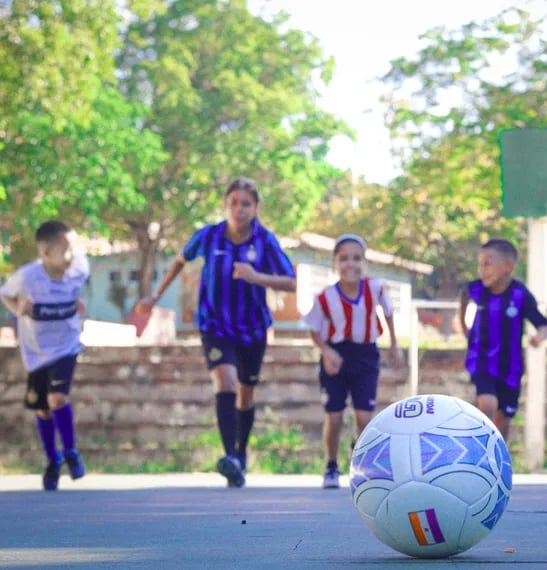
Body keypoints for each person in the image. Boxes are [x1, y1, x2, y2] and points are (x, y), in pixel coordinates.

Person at [137, 177, 296, 488]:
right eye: (234, 203)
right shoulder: (208, 236)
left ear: (256, 207)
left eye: (246, 203)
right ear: (226, 205)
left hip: (252, 328)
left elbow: (290, 282)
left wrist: (256, 277)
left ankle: (241, 452)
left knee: (246, 393)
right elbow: (179, 263)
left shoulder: (265, 240)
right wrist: (155, 295)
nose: (239, 209)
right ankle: (230, 457)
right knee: (225, 381)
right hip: (214, 325)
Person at [304, 234, 403, 489]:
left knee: (364, 417)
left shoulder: (375, 288)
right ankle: (331, 464)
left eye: (357, 258)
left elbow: (389, 313)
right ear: (335, 264)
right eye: (344, 259)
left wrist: (394, 345)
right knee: (334, 415)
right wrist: (327, 352)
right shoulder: (325, 297)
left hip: (366, 355)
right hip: (337, 355)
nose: (351, 264)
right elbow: (314, 329)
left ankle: (358, 461)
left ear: (365, 262)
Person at [0, 221, 89, 491]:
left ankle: (71, 451)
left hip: (67, 347)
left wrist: (76, 303)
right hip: (37, 352)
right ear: (47, 253)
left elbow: (77, 291)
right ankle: (52, 461)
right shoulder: (28, 277)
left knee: (57, 397)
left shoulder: (78, 270)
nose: (73, 255)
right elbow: (5, 294)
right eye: (67, 249)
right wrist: (19, 309)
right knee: (42, 408)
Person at [458, 238, 547, 442]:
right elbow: (463, 295)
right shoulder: (477, 289)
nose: (482, 270)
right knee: (488, 404)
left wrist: (539, 337)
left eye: (488, 264)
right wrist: (464, 326)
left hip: (510, 367)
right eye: (480, 264)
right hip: (481, 360)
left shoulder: (520, 295)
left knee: (504, 417)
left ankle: (499, 457)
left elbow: (543, 323)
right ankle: (478, 449)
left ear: (508, 267)